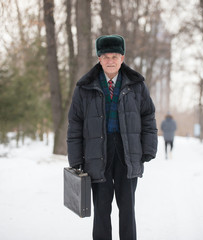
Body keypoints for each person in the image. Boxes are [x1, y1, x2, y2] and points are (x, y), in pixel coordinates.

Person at [67, 34, 158, 240]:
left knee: (128, 209)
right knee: (101, 210)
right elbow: (75, 124)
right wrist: (75, 158)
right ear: (99, 59)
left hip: (128, 153)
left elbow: (148, 117)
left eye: (114, 56)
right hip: (97, 155)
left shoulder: (137, 85)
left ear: (122, 58)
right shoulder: (84, 88)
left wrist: (148, 148)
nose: (110, 61)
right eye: (105, 56)